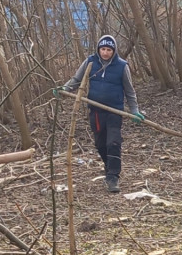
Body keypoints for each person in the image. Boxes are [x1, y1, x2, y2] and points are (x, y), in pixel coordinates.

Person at [56, 35, 145, 194]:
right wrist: (64, 89)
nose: (105, 53)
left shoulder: (122, 66)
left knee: (113, 143)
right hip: (96, 111)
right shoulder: (90, 62)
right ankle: (108, 165)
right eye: (103, 49)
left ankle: (113, 177)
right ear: (98, 49)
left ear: (114, 51)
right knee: (101, 144)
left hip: (114, 111)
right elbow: (76, 80)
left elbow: (130, 91)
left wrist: (134, 111)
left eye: (108, 50)